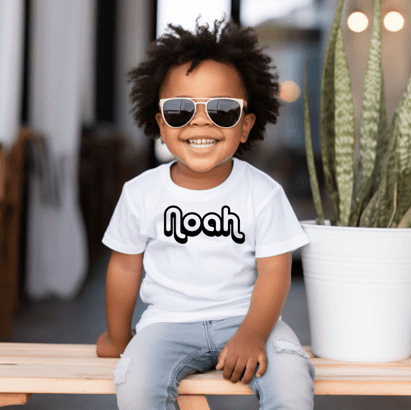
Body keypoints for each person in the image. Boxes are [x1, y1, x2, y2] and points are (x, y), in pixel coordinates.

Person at [96, 16, 315, 410]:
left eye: (223, 110)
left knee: (293, 378)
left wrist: (251, 333)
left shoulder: (263, 193)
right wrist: (117, 337)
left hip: (249, 318)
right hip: (166, 325)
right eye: (180, 109)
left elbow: (275, 270)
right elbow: (125, 267)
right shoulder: (140, 193)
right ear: (161, 125)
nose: (201, 120)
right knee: (136, 383)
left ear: (246, 125)